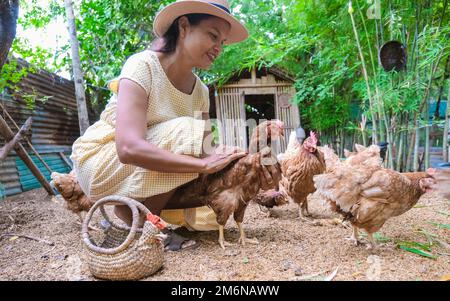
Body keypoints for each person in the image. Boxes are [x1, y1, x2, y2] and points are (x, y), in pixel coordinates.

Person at [70, 0, 280, 250]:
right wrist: (203, 163)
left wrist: (250, 168)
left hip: (143, 166)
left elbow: (206, 153)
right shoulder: (142, 66)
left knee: (210, 172)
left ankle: (139, 214)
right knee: (190, 134)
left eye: (222, 42)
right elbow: (127, 148)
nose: (218, 48)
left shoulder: (201, 92)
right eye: (213, 35)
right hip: (102, 159)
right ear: (183, 26)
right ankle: (142, 223)